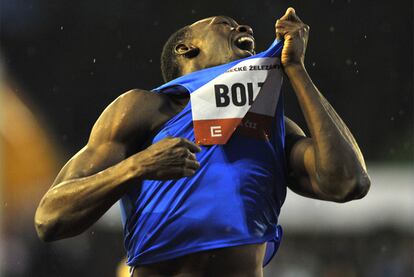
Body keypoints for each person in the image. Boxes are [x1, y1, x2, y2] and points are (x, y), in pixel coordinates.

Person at [34, 8, 370, 277]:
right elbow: (50, 218)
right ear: (187, 48)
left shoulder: (272, 129)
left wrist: (296, 69)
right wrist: (137, 166)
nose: (246, 30)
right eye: (226, 24)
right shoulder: (145, 109)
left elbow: (349, 182)